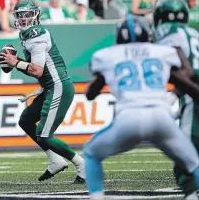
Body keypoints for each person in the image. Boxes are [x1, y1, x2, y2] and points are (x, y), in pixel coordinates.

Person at [84, 14, 199, 200]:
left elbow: (90, 94)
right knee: (194, 164)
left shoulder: (108, 56)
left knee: (91, 153)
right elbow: (186, 78)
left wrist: (100, 81)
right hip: (162, 118)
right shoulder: (161, 52)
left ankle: (97, 197)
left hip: (128, 118)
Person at [0, 0, 85, 184]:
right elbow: (35, 69)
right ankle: (55, 160)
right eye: (20, 15)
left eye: (27, 14)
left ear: (36, 15)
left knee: (44, 135)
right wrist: (18, 64)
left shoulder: (37, 34)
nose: (23, 19)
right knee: (26, 120)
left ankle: (82, 165)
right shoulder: (27, 35)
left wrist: (16, 63)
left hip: (58, 86)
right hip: (50, 87)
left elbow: (36, 70)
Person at [153, 0, 199, 200]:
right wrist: (173, 96)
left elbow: (184, 73)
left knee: (184, 158)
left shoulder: (168, 32)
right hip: (191, 91)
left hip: (194, 99)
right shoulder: (193, 32)